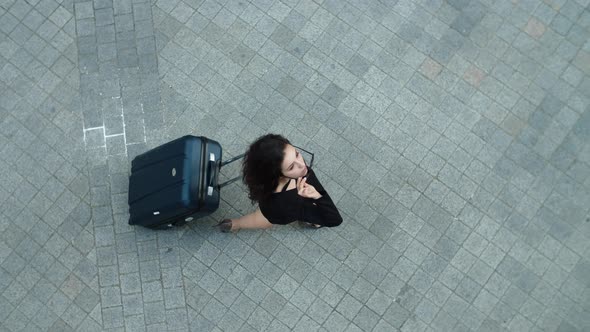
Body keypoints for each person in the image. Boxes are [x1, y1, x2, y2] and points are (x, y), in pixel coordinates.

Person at [215, 134, 343, 232]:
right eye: (291, 167)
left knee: (259, 217)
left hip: (271, 208)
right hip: (282, 212)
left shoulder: (263, 181)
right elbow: (334, 220)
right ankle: (236, 224)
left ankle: (233, 223)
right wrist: (318, 197)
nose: (302, 165)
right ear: (276, 173)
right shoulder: (293, 200)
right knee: (264, 219)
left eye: (297, 154)